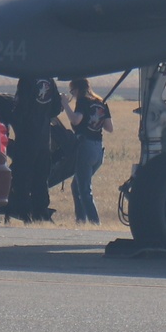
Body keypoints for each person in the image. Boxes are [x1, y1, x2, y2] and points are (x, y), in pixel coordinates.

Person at [8, 76, 65, 222]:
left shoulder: (27, 79)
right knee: (41, 179)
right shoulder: (50, 80)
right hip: (44, 139)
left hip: (26, 138)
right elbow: (56, 108)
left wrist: (17, 125)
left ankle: (24, 212)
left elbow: (20, 108)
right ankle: (40, 212)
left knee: (22, 176)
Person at [67, 76, 113, 226]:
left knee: (85, 190)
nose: (72, 94)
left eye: (72, 91)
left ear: (78, 89)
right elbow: (109, 128)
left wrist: (64, 105)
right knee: (77, 186)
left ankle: (94, 223)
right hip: (98, 149)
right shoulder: (101, 103)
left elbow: (76, 120)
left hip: (85, 147)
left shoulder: (83, 101)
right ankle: (80, 222)